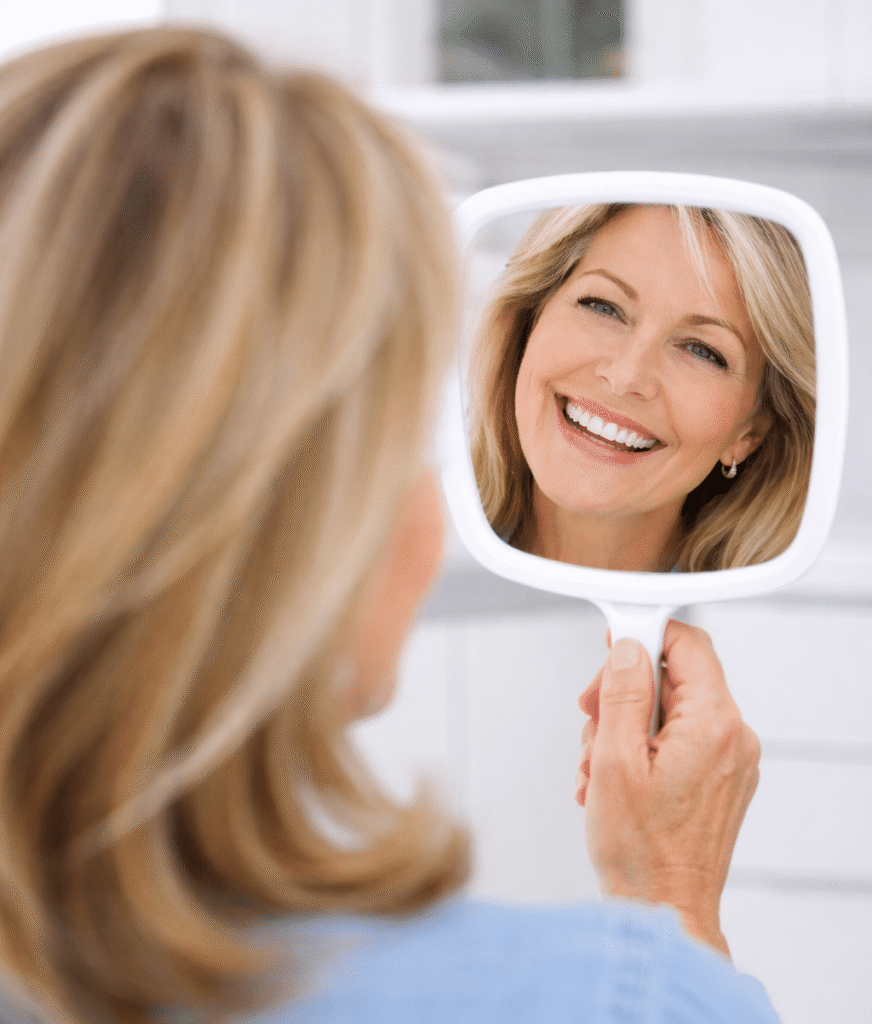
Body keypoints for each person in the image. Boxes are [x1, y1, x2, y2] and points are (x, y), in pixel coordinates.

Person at [0, 25, 778, 1024]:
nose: (626, 375)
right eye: (395, 430)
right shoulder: (595, 995)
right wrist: (670, 914)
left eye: (703, 351)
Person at [470, 202, 816, 572]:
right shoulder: (414, 550)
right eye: (602, 306)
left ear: (749, 433)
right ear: (529, 322)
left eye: (701, 350)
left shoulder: (745, 624)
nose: (625, 377)